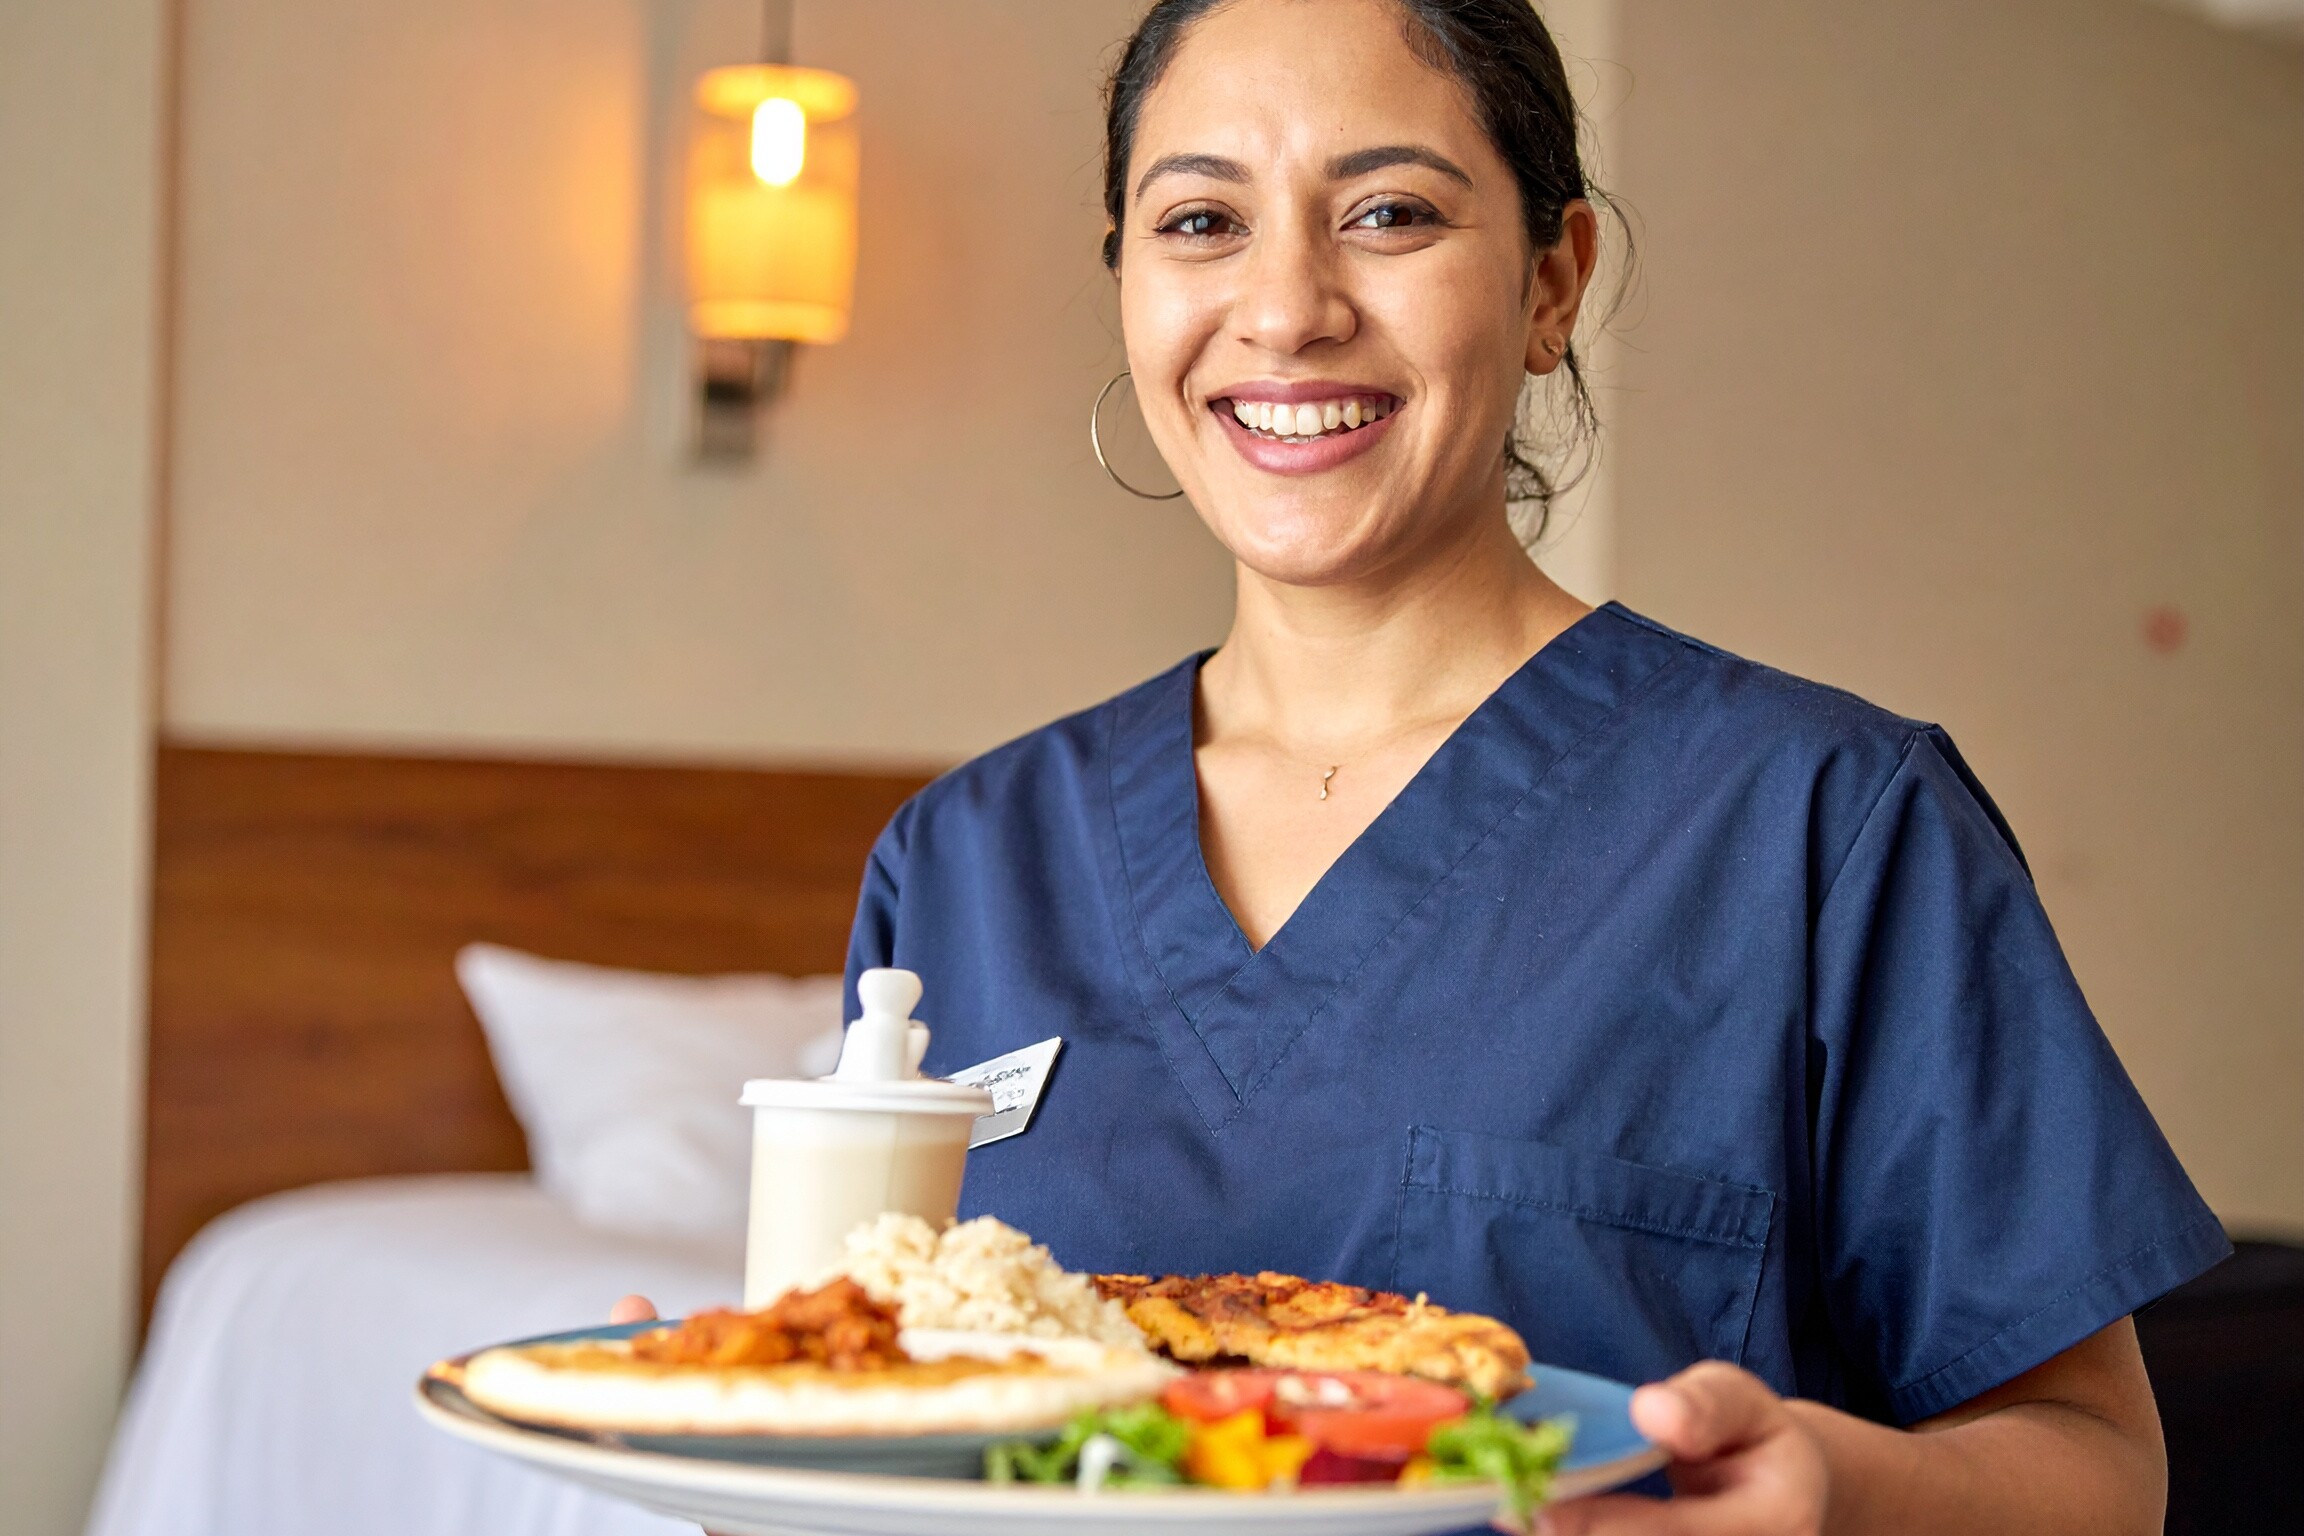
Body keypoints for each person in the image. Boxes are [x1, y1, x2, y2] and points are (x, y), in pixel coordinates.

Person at [628, 1, 2228, 1528]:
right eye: (1200, 223)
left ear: (1551, 283)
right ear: (1128, 287)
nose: (1286, 305)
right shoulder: (968, 859)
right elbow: (872, 1435)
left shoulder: (1821, 825)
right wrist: (732, 1448)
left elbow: (2096, 1469)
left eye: (1390, 214)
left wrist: (1838, 1495)